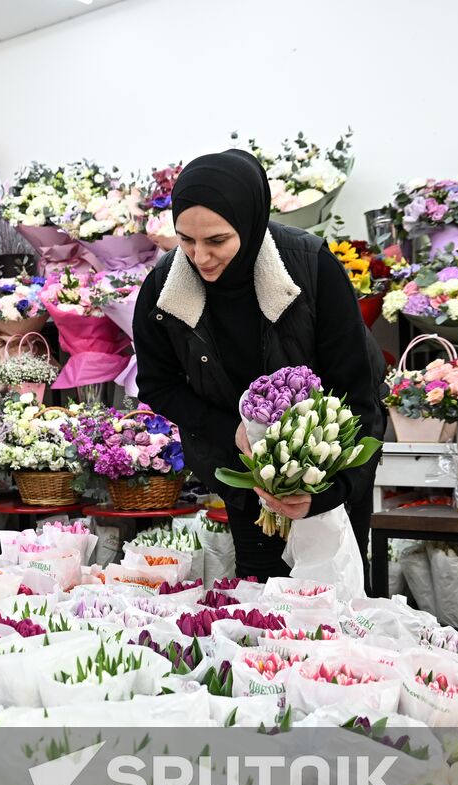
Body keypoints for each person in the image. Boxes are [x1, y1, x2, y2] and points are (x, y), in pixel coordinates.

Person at [132, 149, 386, 581]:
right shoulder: (164, 287)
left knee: (336, 604)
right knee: (263, 605)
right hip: (244, 479)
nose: (199, 256)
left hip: (330, 471)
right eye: (186, 239)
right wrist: (228, 428)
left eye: (216, 241)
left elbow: (359, 396)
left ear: (249, 224)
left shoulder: (309, 266)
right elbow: (157, 383)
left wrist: (323, 493)